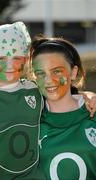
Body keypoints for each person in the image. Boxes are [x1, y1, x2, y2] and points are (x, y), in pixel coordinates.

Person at [0, 22, 45, 180]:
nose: (10, 65)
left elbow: (64, 97)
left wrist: (86, 95)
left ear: (26, 60)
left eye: (16, 57)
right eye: (0, 57)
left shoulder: (37, 91)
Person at [30, 36, 96, 179]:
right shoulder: (28, 121)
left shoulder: (93, 112)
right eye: (40, 73)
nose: (48, 80)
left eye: (57, 71)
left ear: (73, 72)